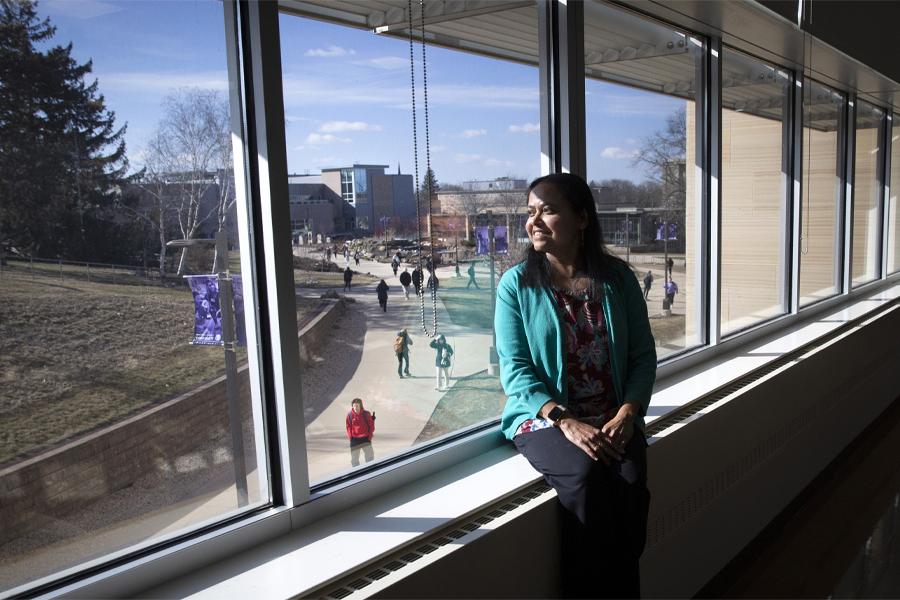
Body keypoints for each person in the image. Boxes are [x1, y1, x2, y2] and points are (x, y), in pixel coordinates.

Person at [494, 173, 656, 598]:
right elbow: (515, 371)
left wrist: (629, 411)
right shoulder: (517, 285)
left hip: (612, 415)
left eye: (547, 210)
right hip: (544, 417)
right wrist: (564, 421)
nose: (534, 221)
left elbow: (642, 356)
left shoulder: (618, 280)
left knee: (630, 480)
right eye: (530, 212)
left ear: (581, 218)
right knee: (584, 476)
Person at [345, 398, 375, 467]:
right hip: (355, 440)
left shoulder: (366, 414)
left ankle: (370, 470)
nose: (355, 407)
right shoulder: (349, 415)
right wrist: (351, 437)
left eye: (357, 406)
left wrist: (369, 438)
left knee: (370, 458)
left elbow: (371, 426)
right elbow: (348, 427)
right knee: (354, 460)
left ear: (360, 406)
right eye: (354, 406)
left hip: (365, 439)